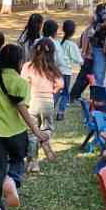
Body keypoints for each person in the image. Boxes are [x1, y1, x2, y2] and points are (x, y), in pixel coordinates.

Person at [0, 42, 51, 210]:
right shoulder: (22, 84)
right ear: (19, 63)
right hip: (17, 134)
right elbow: (24, 111)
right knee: (18, 160)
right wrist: (37, 131)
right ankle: (12, 179)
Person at [23, 37, 62, 169]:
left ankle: (33, 162)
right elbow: (60, 84)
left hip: (32, 102)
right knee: (48, 128)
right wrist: (52, 90)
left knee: (32, 132)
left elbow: (23, 82)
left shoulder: (27, 66)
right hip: (48, 103)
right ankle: (45, 140)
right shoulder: (53, 69)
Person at [57, 19, 83, 119]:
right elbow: (78, 59)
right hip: (66, 73)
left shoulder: (59, 43)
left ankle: (52, 109)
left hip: (57, 71)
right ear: (73, 31)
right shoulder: (72, 45)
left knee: (56, 92)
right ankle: (60, 112)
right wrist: (83, 62)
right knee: (65, 92)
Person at [68, 19, 96, 105]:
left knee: (85, 79)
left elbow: (80, 44)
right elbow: (86, 44)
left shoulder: (87, 30)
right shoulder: (91, 31)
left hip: (87, 57)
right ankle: (73, 96)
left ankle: (76, 95)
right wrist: (85, 53)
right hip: (89, 58)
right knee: (82, 78)